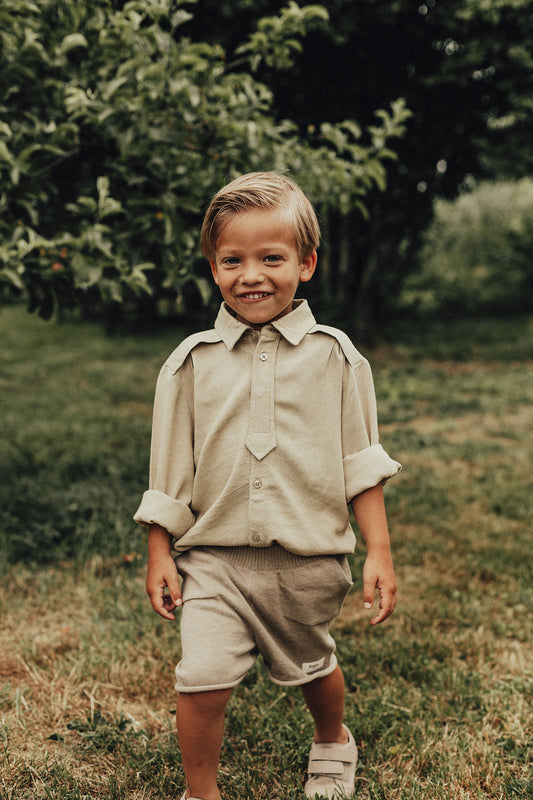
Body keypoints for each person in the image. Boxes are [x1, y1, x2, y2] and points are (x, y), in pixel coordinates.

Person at [134, 172, 401, 800]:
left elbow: (361, 463)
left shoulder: (336, 357)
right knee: (200, 676)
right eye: (233, 260)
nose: (251, 275)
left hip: (307, 561)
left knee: (313, 667)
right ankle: (202, 792)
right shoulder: (190, 362)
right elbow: (168, 470)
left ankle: (332, 740)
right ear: (213, 267)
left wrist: (379, 552)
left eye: (271, 258)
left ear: (306, 264)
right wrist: (158, 550)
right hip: (215, 560)